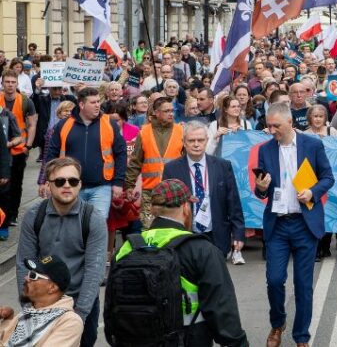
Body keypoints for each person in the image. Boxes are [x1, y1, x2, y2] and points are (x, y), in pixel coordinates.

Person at [112, 179, 249, 346]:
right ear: (185, 208)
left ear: (154, 210)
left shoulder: (127, 248)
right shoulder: (201, 250)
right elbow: (223, 314)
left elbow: (111, 310)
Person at [252, 102, 334, 347]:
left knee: (303, 285)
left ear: (290, 122)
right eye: (269, 125)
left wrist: (312, 191)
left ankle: (301, 337)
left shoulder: (313, 145)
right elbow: (261, 188)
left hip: (304, 224)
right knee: (275, 280)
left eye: (276, 125)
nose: (271, 130)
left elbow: (328, 177)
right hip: (277, 224)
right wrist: (261, 188)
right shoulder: (265, 150)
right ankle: (278, 324)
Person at [16, 157, 108, 347]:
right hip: (42, 302)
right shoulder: (34, 216)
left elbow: (95, 270)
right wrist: (28, 307)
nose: (67, 186)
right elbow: (23, 263)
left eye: (73, 181)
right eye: (60, 181)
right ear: (49, 185)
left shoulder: (93, 219)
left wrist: (79, 316)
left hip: (80, 302)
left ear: (80, 184)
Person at [162, 120, 245, 263]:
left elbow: (233, 202)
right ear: (184, 142)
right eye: (191, 140)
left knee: (215, 282)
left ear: (207, 140)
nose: (196, 144)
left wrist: (238, 234)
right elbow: (166, 206)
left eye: (200, 140)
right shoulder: (171, 169)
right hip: (185, 235)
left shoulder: (223, 166)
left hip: (216, 234)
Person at [45, 87, 128, 220]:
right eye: (93, 102)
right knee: (71, 224)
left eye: (98, 102)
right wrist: (47, 180)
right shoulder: (64, 124)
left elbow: (121, 154)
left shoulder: (109, 123)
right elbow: (52, 154)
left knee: (97, 224)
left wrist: (118, 183)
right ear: (82, 105)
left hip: (101, 187)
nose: (97, 105)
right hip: (70, 186)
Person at [125, 97, 185, 228]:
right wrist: (129, 185)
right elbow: (135, 161)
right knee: (149, 229)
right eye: (166, 111)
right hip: (150, 192)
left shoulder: (181, 131)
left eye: (172, 110)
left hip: (173, 191)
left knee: (173, 231)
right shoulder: (144, 132)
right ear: (156, 113)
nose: (171, 113)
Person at [0, 255, 83, 346]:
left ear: (52, 287)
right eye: (29, 274)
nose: (26, 278)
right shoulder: (30, 312)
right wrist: (8, 320)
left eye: (33, 276)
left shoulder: (70, 322)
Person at [1, 69, 37, 235]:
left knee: (16, 183)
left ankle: (13, 214)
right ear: (2, 83)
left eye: (12, 82)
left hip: (18, 149)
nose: (10, 85)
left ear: (17, 84)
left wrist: (28, 146)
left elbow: (32, 124)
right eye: (7, 82)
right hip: (3, 151)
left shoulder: (25, 101)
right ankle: (5, 216)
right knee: (4, 186)